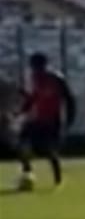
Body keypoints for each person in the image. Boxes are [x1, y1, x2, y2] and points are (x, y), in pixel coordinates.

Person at [16, 53, 76, 189]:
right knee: (22, 142)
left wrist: (69, 119)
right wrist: (22, 110)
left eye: (36, 67)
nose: (34, 70)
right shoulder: (36, 78)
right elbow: (34, 97)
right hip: (39, 119)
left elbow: (69, 99)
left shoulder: (56, 79)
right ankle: (27, 172)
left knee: (48, 150)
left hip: (53, 121)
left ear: (43, 66)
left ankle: (58, 179)